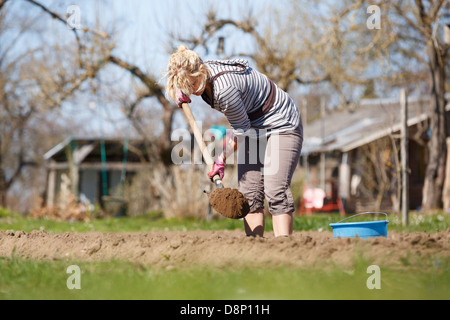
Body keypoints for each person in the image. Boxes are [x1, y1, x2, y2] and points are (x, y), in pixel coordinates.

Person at [165, 45, 303, 237]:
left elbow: (241, 131)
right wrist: (181, 91)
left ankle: (286, 248)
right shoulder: (198, 72)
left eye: (192, 84)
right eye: (185, 85)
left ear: (201, 71)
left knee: (275, 189)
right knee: (250, 194)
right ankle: (256, 251)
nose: (190, 90)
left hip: (281, 124)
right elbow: (183, 76)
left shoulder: (224, 90)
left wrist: (220, 159)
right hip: (252, 127)